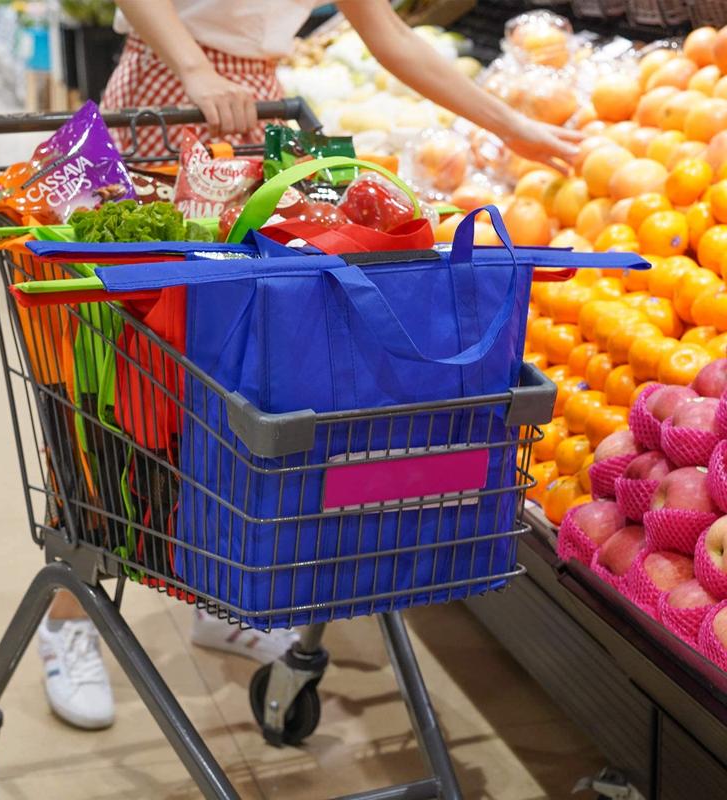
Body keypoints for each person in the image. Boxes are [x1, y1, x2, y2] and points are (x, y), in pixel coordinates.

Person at [38, 0, 582, 732]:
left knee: (237, 387)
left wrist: (515, 128)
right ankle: (67, 619)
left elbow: (387, 35)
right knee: (133, 392)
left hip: (262, 122)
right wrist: (197, 69)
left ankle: (215, 581)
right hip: (167, 103)